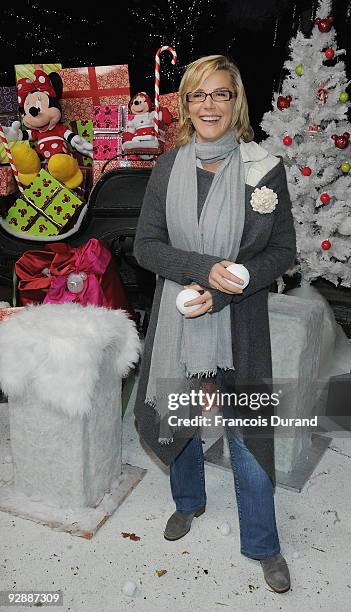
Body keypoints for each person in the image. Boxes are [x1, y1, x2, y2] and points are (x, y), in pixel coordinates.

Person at [133, 54, 296, 594]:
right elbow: (147, 246)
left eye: (221, 94)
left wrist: (236, 280)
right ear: (186, 104)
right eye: (199, 94)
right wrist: (203, 271)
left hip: (240, 326)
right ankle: (188, 502)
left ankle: (263, 543)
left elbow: (283, 251)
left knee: (248, 434)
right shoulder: (166, 168)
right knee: (180, 420)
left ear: (236, 102)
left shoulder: (263, 170)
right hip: (178, 323)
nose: (210, 104)